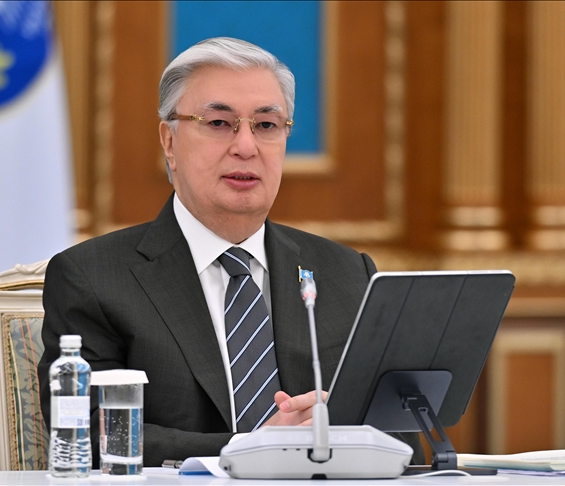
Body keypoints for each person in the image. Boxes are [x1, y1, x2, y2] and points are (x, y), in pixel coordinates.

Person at [37, 37, 424, 467]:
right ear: (169, 142)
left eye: (266, 125)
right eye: (219, 123)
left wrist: (344, 430)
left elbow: (403, 432)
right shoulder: (94, 277)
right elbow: (88, 432)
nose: (246, 146)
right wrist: (250, 448)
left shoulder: (346, 273)